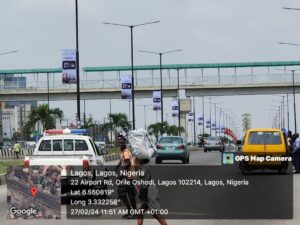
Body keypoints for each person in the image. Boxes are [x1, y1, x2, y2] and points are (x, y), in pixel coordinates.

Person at [135, 158, 167, 225]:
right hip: (147, 192)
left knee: (155, 214)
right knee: (140, 212)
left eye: (138, 158)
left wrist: (136, 165)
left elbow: (141, 175)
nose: (137, 158)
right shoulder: (145, 165)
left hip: (150, 193)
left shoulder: (145, 165)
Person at [115, 135, 137, 219]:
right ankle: (129, 211)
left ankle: (134, 213)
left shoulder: (126, 152)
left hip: (129, 176)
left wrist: (122, 175)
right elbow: (121, 162)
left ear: (124, 143)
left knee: (131, 195)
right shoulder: (122, 152)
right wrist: (114, 170)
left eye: (121, 142)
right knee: (122, 193)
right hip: (126, 176)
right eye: (119, 142)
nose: (120, 144)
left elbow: (128, 164)